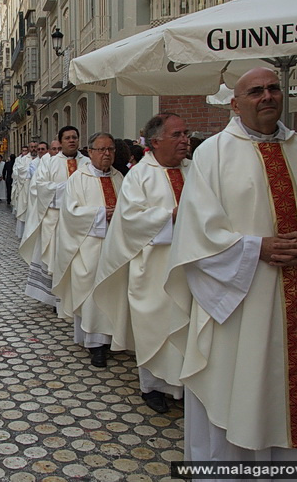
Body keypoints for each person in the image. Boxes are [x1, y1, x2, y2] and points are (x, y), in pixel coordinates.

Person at [165, 67, 297, 467]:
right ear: (235, 103)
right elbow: (197, 231)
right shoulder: (213, 153)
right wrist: (256, 248)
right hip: (238, 300)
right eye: (255, 91)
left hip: (296, 294)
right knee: (237, 387)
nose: (266, 96)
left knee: (289, 394)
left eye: (273, 89)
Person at [92, 113, 190, 414]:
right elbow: (129, 220)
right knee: (156, 327)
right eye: (177, 135)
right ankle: (153, 387)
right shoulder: (139, 175)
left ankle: (185, 386)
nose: (185, 140)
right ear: (156, 141)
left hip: (190, 265)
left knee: (188, 328)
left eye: (186, 133)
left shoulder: (196, 169)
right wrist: (168, 217)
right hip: (154, 266)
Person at [53, 133, 123, 368]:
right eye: (101, 149)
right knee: (93, 292)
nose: (107, 154)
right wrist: (102, 213)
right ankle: (95, 344)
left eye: (111, 149)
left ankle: (114, 337)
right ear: (90, 152)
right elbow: (70, 213)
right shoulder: (78, 179)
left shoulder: (120, 177)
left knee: (114, 290)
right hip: (89, 247)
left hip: (115, 247)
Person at [20, 127, 89, 308]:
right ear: (60, 140)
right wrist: (69, 188)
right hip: (57, 222)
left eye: (75, 137)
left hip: (82, 222)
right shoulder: (49, 163)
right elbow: (39, 188)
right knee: (57, 259)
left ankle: (77, 298)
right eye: (67, 138)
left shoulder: (88, 163)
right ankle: (57, 299)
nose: (71, 140)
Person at [13, 143, 36, 238]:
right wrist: (32, 170)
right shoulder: (23, 159)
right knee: (24, 209)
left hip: (37, 188)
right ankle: (23, 233)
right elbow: (19, 171)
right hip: (25, 186)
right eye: (32, 147)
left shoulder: (42, 159)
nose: (34, 149)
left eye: (35, 147)